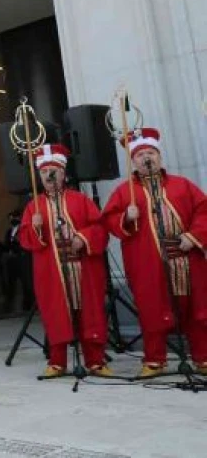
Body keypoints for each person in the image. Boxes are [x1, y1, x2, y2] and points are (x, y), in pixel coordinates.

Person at [101, 128, 207, 378]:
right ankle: (155, 360)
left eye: (150, 153)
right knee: (152, 309)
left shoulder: (183, 185)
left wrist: (193, 237)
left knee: (197, 309)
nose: (146, 158)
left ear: (159, 157)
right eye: (140, 155)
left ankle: (202, 357)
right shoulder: (124, 191)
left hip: (186, 256)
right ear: (133, 162)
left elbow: (204, 211)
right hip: (148, 262)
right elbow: (108, 220)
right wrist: (126, 216)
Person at [18, 144, 112, 377]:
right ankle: (57, 361)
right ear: (39, 177)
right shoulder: (33, 207)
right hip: (52, 270)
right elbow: (25, 239)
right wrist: (36, 228)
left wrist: (83, 237)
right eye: (44, 172)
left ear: (63, 173)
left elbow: (100, 227)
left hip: (83, 267)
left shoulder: (80, 200)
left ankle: (95, 361)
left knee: (89, 311)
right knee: (56, 312)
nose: (49, 176)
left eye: (54, 170)